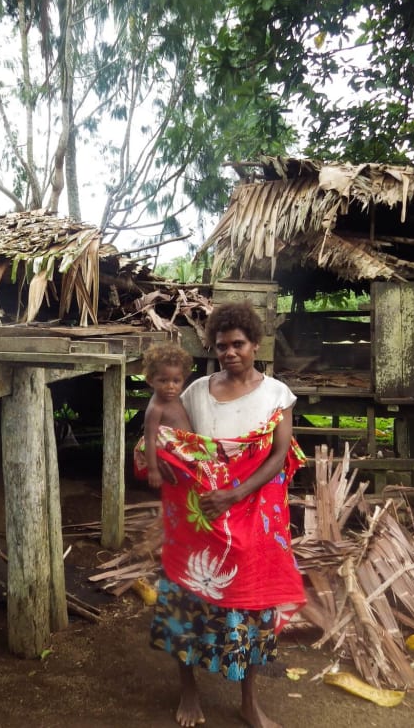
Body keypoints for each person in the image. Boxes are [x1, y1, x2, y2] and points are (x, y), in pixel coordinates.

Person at [148, 301, 305, 728]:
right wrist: (162, 460)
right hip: (202, 514)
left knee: (252, 602)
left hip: (251, 511)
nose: (230, 352)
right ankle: (189, 690)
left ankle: (249, 700)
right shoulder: (195, 391)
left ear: (255, 344)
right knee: (188, 597)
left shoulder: (276, 394)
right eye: (221, 346)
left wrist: (235, 493)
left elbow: (278, 456)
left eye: (238, 344)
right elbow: (175, 440)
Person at [139, 342, 194, 489]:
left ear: (183, 380)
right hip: (172, 462)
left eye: (176, 381)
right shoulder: (156, 408)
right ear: (150, 380)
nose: (170, 386)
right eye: (163, 381)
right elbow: (149, 440)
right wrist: (153, 470)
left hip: (187, 455)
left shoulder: (177, 397)